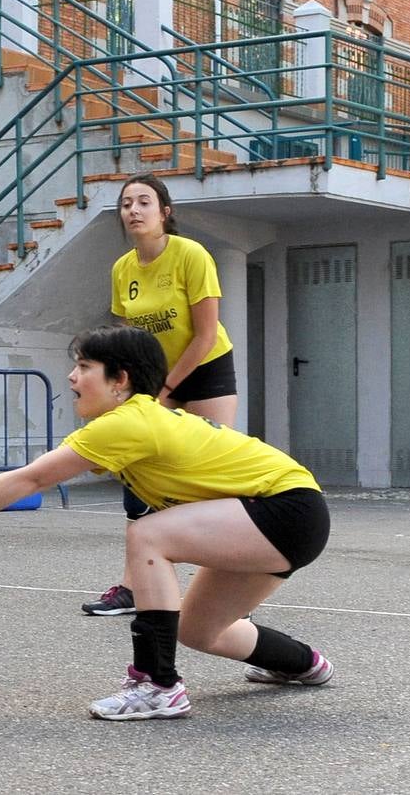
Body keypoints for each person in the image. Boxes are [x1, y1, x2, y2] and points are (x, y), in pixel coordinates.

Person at [0, 325, 331, 721]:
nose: (72, 377)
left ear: (120, 379)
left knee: (148, 535)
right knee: (199, 630)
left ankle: (157, 685)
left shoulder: (126, 423)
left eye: (85, 366)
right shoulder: (138, 419)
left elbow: (33, 478)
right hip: (294, 516)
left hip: (284, 507)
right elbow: (31, 476)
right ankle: (303, 664)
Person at [82, 173, 239, 616]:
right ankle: (133, 589)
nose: (133, 210)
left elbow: (204, 335)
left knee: (212, 480)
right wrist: (126, 393)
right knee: (140, 476)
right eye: (126, 203)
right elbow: (127, 341)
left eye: (144, 202)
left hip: (205, 368)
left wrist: (165, 392)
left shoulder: (191, 255)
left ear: (164, 212)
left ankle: (229, 593)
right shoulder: (122, 269)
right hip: (153, 379)